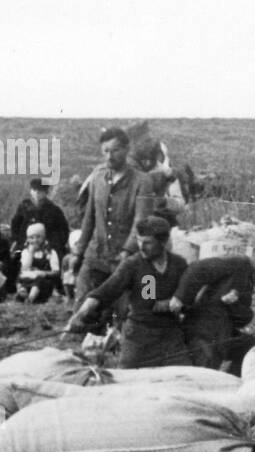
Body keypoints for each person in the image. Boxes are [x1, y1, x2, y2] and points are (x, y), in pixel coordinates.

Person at [66, 215, 190, 368]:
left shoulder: (179, 264)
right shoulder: (134, 265)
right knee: (126, 382)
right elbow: (106, 291)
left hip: (171, 338)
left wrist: (179, 302)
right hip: (139, 338)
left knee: (184, 379)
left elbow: (189, 295)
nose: (141, 247)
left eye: (148, 242)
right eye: (138, 240)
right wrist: (80, 314)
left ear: (163, 242)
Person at [65, 127, 149, 330]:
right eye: (105, 151)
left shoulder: (142, 181)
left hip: (124, 257)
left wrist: (127, 251)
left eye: (115, 150)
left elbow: (141, 221)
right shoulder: (97, 176)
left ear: (127, 149)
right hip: (96, 253)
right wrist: (79, 250)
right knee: (82, 309)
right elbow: (89, 217)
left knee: (124, 317)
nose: (110, 156)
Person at [173, 233, 255, 371]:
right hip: (202, 333)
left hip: (224, 332)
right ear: (254, 251)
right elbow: (197, 269)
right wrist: (181, 298)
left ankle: (233, 380)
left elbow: (243, 319)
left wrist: (232, 304)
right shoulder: (236, 262)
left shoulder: (249, 274)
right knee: (206, 371)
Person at [10, 178, 70, 257]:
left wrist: (53, 244)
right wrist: (17, 240)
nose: (37, 193)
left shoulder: (54, 210)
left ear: (46, 192)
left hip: (48, 246)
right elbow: (15, 225)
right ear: (30, 191)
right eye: (34, 190)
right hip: (25, 244)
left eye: (40, 191)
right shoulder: (24, 207)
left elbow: (63, 231)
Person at [16, 223, 62, 303]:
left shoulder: (50, 252)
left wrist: (43, 273)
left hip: (44, 281)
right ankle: (23, 292)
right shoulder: (26, 252)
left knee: (39, 281)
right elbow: (24, 269)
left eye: (38, 237)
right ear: (27, 239)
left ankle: (31, 298)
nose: (35, 240)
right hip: (29, 280)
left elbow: (56, 272)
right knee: (19, 278)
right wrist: (31, 253)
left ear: (43, 238)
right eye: (32, 238)